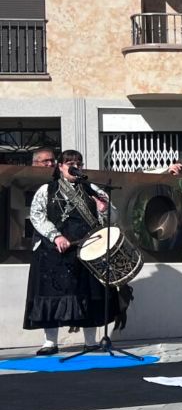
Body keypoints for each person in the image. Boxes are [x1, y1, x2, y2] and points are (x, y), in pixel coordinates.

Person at [23, 149, 109, 355]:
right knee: (50, 294)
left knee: (89, 293)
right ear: (60, 167)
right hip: (53, 250)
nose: (75, 167)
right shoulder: (47, 189)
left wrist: (104, 209)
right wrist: (55, 236)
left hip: (86, 248)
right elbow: (37, 216)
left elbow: (109, 218)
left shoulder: (92, 189)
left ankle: (91, 341)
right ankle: (50, 342)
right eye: (70, 163)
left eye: (79, 163)